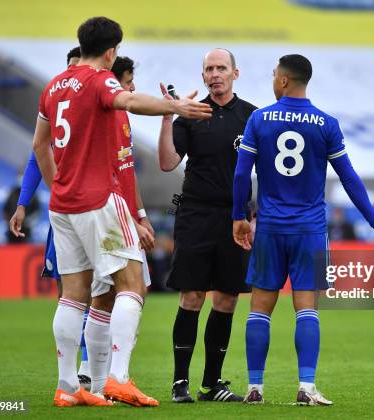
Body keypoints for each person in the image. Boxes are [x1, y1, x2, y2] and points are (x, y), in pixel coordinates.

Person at [32, 16, 212, 407]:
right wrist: (175, 105)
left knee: (73, 297)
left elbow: (39, 145)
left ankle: (67, 388)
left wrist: (58, 184)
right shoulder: (100, 80)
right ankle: (118, 378)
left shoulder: (54, 85)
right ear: (111, 52)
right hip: (99, 202)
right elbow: (128, 100)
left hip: (63, 206)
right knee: (132, 287)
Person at [231, 54, 374, 405]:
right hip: (310, 229)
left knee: (260, 308)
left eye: (274, 74)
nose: (272, 79)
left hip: (270, 227)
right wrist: (371, 217)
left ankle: (255, 388)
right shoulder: (326, 123)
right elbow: (348, 175)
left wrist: (239, 216)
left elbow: (241, 174)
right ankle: (306, 388)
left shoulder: (260, 119)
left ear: (284, 81)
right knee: (306, 308)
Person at [158, 48, 256, 403]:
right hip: (195, 214)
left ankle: (211, 384)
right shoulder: (190, 114)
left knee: (227, 299)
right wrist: (169, 114)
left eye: (221, 68)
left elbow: (268, 173)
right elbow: (168, 163)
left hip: (236, 218)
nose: (215, 74)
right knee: (193, 296)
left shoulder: (252, 117)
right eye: (209, 69)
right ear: (202, 77)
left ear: (235, 73)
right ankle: (179, 382)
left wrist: (254, 216)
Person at [9, 46, 94, 391]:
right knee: (68, 293)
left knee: (97, 290)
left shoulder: (96, 107)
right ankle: (71, 373)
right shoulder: (55, 104)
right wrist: (22, 204)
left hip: (94, 209)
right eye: (70, 68)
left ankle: (90, 368)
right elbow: (36, 154)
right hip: (63, 213)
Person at [85, 55, 156, 397]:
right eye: (128, 81)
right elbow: (124, 169)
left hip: (81, 208)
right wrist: (136, 218)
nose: (132, 87)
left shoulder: (80, 108)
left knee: (101, 295)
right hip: (111, 206)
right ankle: (119, 378)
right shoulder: (116, 113)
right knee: (132, 289)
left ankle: (90, 383)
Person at [3, 170, 40, 243]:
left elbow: (37, 210)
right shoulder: (12, 192)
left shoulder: (33, 194)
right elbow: (5, 209)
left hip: (26, 229)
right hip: (12, 229)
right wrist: (9, 221)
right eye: (20, 175)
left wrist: (28, 221)